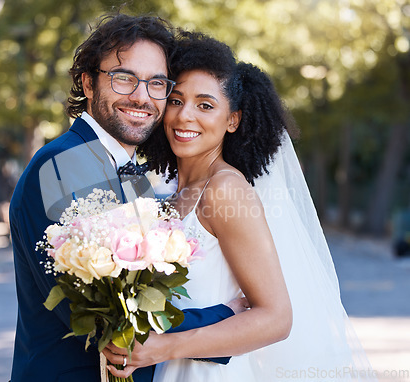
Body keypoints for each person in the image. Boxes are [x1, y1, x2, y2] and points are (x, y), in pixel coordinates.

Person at [104, 32, 375, 381]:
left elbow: (276, 318)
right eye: (175, 100)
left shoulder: (225, 190)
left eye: (205, 105)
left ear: (232, 120)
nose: (185, 116)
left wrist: (166, 346)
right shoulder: (171, 196)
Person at [9, 15, 239, 382]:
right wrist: (228, 317)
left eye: (157, 84)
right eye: (124, 78)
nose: (141, 96)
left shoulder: (131, 172)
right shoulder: (63, 165)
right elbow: (105, 317)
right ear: (87, 82)